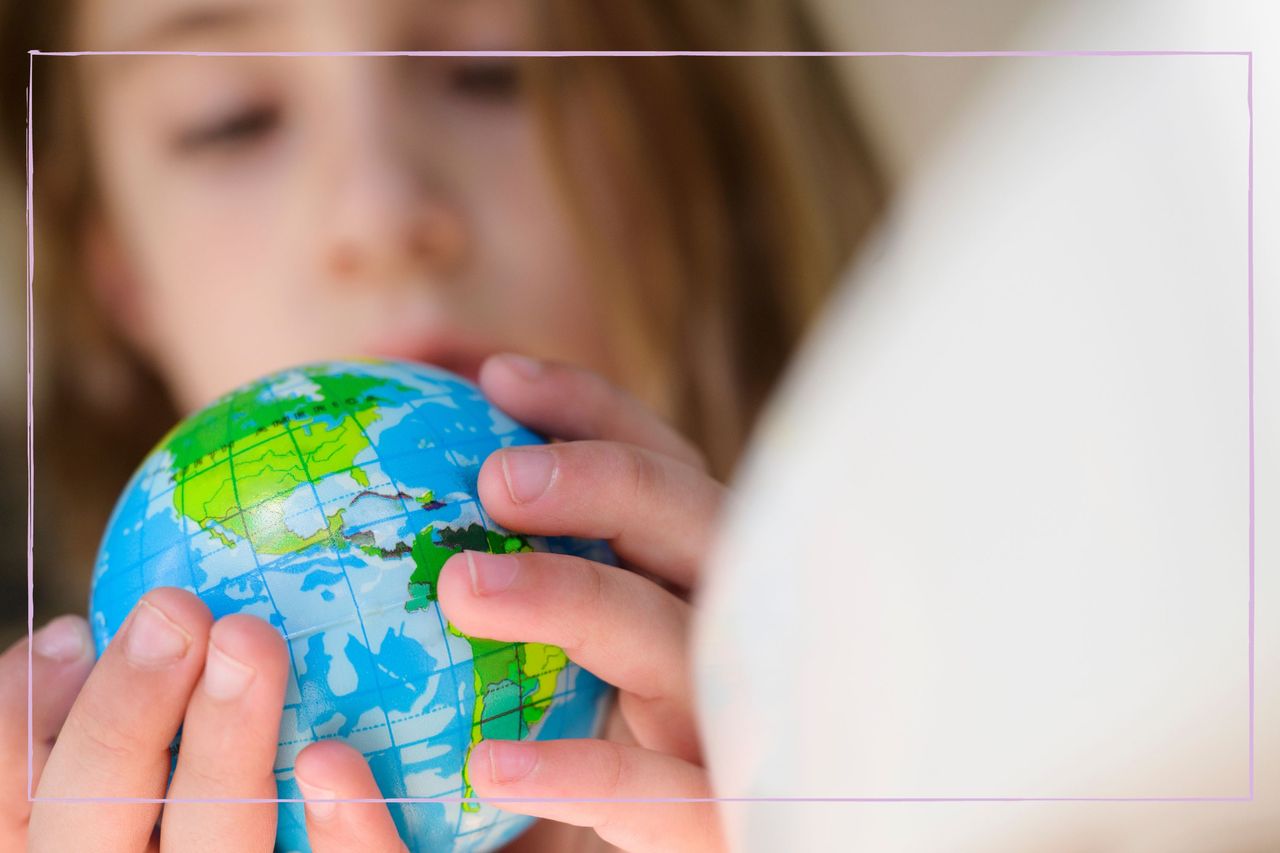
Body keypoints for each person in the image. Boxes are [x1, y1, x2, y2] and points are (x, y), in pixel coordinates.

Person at [0, 0, 883, 850]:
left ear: (704, 150)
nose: (380, 212)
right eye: (229, 118)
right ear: (119, 272)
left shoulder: (931, 701)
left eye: (492, 71)